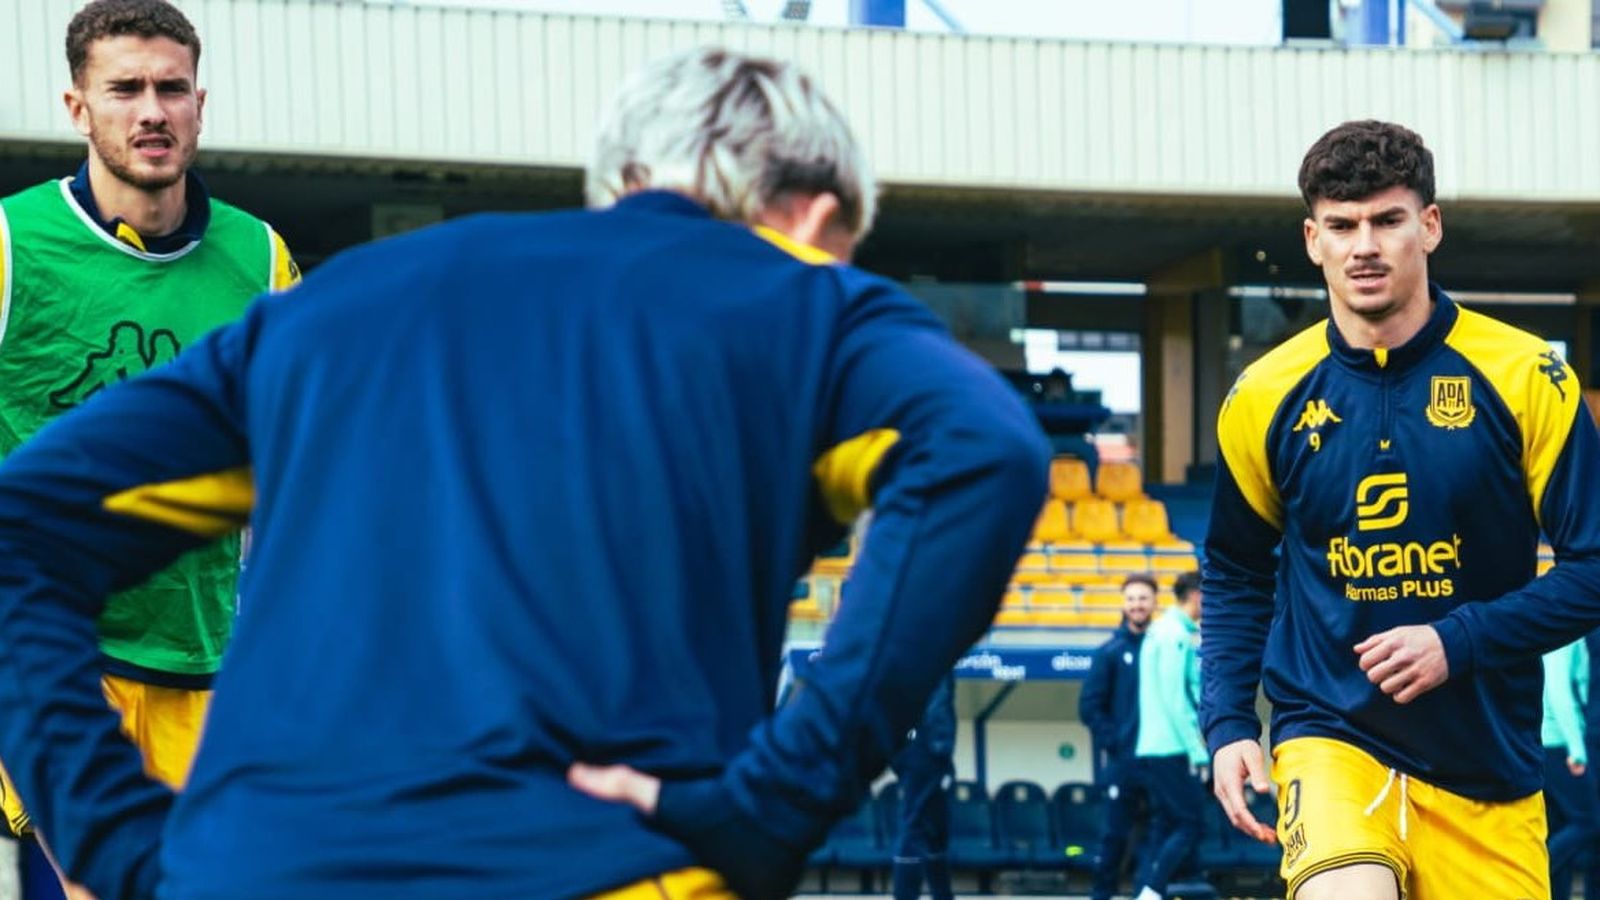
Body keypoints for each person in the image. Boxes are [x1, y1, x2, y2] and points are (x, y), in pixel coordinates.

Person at [0, 47, 1049, 900]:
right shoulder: (799, 299)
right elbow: (983, 452)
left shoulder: (337, 303)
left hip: (256, 868)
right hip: (600, 863)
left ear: (620, 187)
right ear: (817, 221)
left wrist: (111, 833)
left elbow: (21, 526)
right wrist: (782, 795)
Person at [1202, 119, 1600, 900]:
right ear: (1312, 239)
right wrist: (1226, 724)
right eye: (1343, 226)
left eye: (1387, 220)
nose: (1365, 246)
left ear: (1430, 225)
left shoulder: (1526, 377)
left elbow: (1592, 568)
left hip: (1487, 765)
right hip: (1332, 737)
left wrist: (1460, 639)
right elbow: (1236, 572)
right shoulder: (1262, 396)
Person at [0, 0, 296, 853]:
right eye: (124, 88)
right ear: (77, 108)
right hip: (62, 662)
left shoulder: (262, 258)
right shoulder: (14, 245)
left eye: (172, 87)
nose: (152, 110)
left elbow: (298, 459)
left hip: (214, 668)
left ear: (201, 102)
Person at [1079, 573, 1157, 900]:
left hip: (1159, 764)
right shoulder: (1108, 652)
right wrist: (1117, 742)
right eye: (1132, 598)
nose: (1137, 605)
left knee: (1155, 838)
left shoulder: (1162, 647)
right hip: (1123, 764)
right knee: (1114, 837)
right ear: (1123, 604)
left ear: (1154, 602)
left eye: (1143, 598)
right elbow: (1090, 706)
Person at [1129, 571, 1206, 900]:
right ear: (1196, 595)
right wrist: (1198, 751)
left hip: (1155, 747)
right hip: (1172, 747)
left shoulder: (1162, 630)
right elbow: (1176, 699)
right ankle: (1152, 892)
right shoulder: (1174, 634)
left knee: (1163, 826)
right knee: (1190, 823)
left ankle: (1144, 891)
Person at [889, 672, 956, 900]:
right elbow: (938, 701)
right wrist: (942, 749)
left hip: (905, 743)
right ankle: (907, 896)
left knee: (935, 825)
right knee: (916, 823)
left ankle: (942, 894)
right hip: (926, 747)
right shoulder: (934, 646)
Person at [1542, 638, 1599, 900]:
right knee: (1588, 821)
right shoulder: (1564, 633)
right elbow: (1558, 690)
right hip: (1559, 745)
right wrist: (1577, 750)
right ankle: (1537, 866)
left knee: (1559, 825)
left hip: (1551, 744)